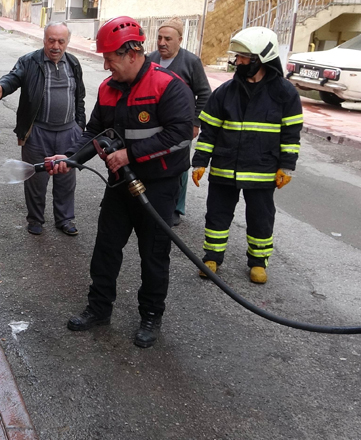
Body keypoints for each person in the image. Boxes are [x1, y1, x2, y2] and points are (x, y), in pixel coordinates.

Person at [45, 16, 194, 348]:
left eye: (110, 58)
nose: (106, 65)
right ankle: (99, 309)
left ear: (131, 52)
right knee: (106, 248)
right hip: (119, 185)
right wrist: (68, 159)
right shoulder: (109, 89)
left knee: (154, 254)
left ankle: (151, 316)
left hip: (157, 186)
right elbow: (94, 132)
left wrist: (131, 154)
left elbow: (181, 134)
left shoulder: (167, 86)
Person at [191, 27, 303, 284]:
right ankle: (212, 258)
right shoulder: (225, 92)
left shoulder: (285, 94)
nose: (237, 62)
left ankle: (258, 262)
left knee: (260, 217)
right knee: (217, 215)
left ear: (261, 58)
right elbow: (208, 132)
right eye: (237, 57)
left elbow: (291, 135)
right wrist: (199, 162)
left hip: (262, 169)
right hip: (224, 167)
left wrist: (286, 167)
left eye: (243, 58)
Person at [0, 22, 86, 236]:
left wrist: (80, 128)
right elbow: (13, 77)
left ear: (67, 42)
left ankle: (65, 219)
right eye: (51, 40)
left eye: (61, 41)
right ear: (44, 40)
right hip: (38, 132)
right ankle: (35, 220)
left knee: (66, 179)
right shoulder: (29, 61)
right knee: (36, 179)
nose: (55, 46)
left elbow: (79, 98)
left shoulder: (74, 63)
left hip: (68, 132)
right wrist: (2, 88)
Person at [146, 17, 212, 227]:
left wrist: (195, 123)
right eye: (159, 38)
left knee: (179, 166)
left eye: (168, 38)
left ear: (180, 40)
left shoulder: (191, 62)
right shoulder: (150, 59)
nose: (162, 43)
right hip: (154, 124)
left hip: (180, 126)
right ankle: (152, 201)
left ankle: (176, 207)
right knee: (154, 161)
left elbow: (204, 94)